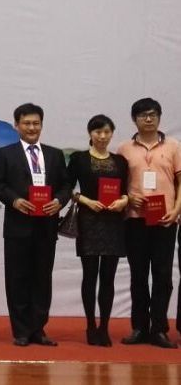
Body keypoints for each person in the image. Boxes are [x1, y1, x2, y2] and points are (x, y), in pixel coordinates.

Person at [0, 103, 71, 347]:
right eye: (26, 123)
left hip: (46, 226)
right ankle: (21, 330)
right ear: (16, 125)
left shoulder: (55, 154)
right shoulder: (6, 153)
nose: (31, 128)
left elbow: (66, 185)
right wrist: (14, 200)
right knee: (17, 278)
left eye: (36, 123)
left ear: (42, 125)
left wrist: (59, 201)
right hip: (18, 226)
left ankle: (38, 329)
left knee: (42, 278)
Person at [116, 98, 180, 349]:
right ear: (134, 119)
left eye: (153, 114)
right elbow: (117, 185)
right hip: (135, 219)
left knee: (163, 275)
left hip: (165, 220)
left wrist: (176, 210)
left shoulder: (174, 146)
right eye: (143, 115)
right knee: (138, 275)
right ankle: (139, 328)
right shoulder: (124, 149)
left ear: (160, 117)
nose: (149, 119)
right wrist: (129, 198)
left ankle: (159, 329)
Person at [66, 114, 128, 347]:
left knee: (108, 277)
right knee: (90, 275)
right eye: (98, 132)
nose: (102, 136)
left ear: (112, 134)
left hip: (113, 222)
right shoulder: (79, 159)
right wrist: (86, 201)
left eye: (107, 132)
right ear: (90, 133)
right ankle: (91, 325)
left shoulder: (120, 161)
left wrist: (124, 200)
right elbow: (66, 188)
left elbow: (127, 190)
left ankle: (105, 327)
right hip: (89, 220)